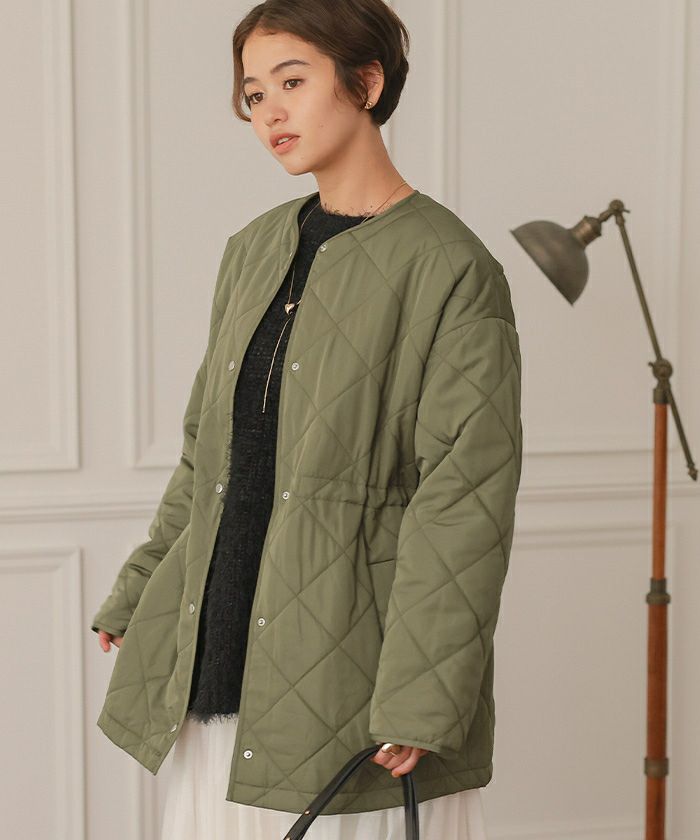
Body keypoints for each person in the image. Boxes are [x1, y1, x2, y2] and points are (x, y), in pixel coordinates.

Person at [92, 1, 523, 838]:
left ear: (366, 82)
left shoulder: (451, 268)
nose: (270, 113)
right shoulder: (252, 249)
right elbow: (209, 455)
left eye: (292, 82)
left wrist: (424, 694)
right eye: (254, 94)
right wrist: (140, 588)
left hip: (353, 686)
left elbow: (463, 499)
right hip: (217, 669)